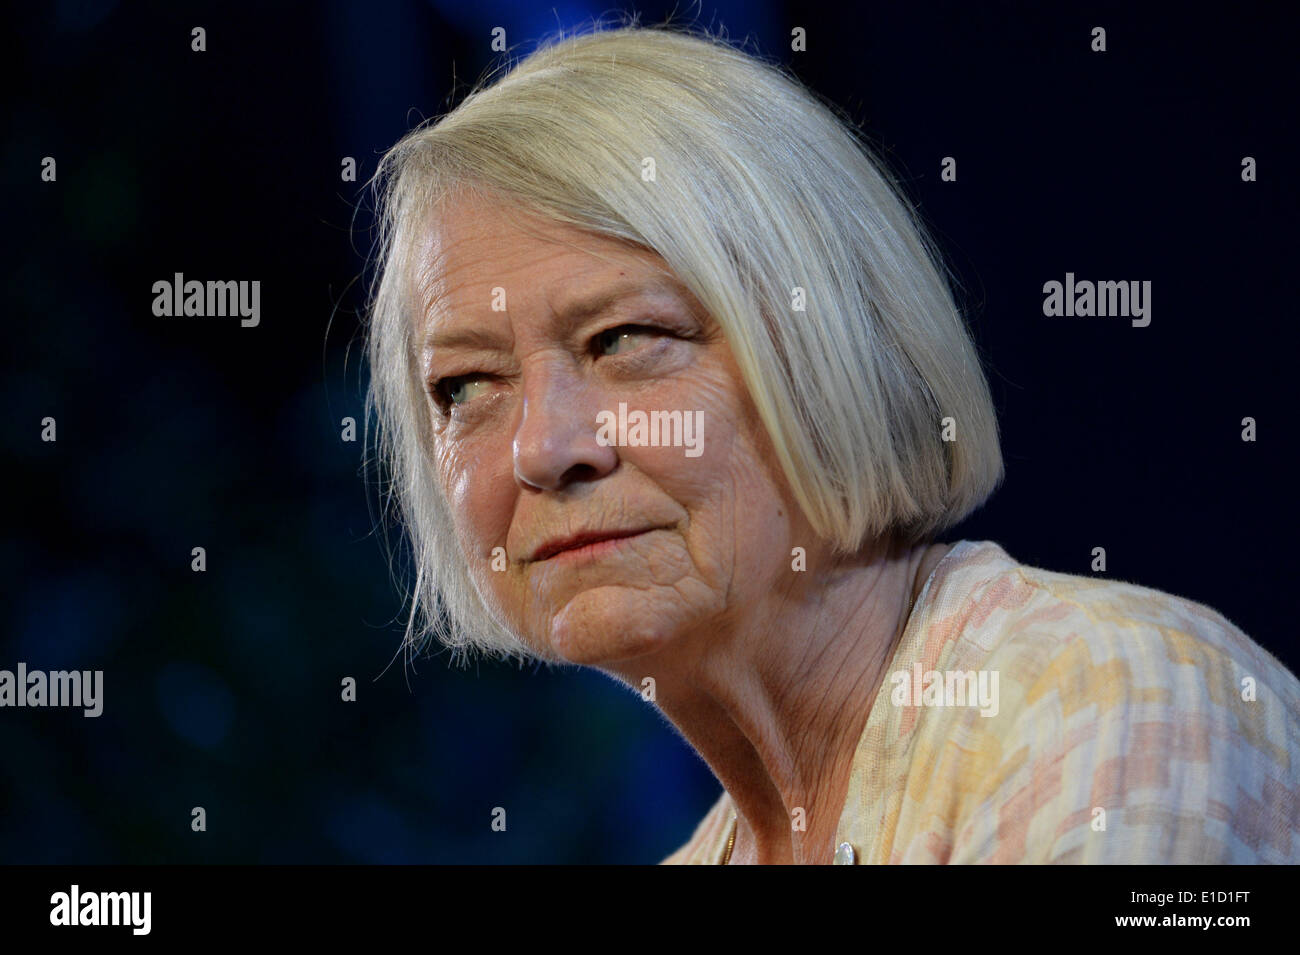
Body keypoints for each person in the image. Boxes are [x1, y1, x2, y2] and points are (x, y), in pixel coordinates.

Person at [362, 23, 1300, 863]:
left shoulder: (1105, 696)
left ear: (830, 345)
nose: (541, 446)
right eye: (466, 386)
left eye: (625, 339)